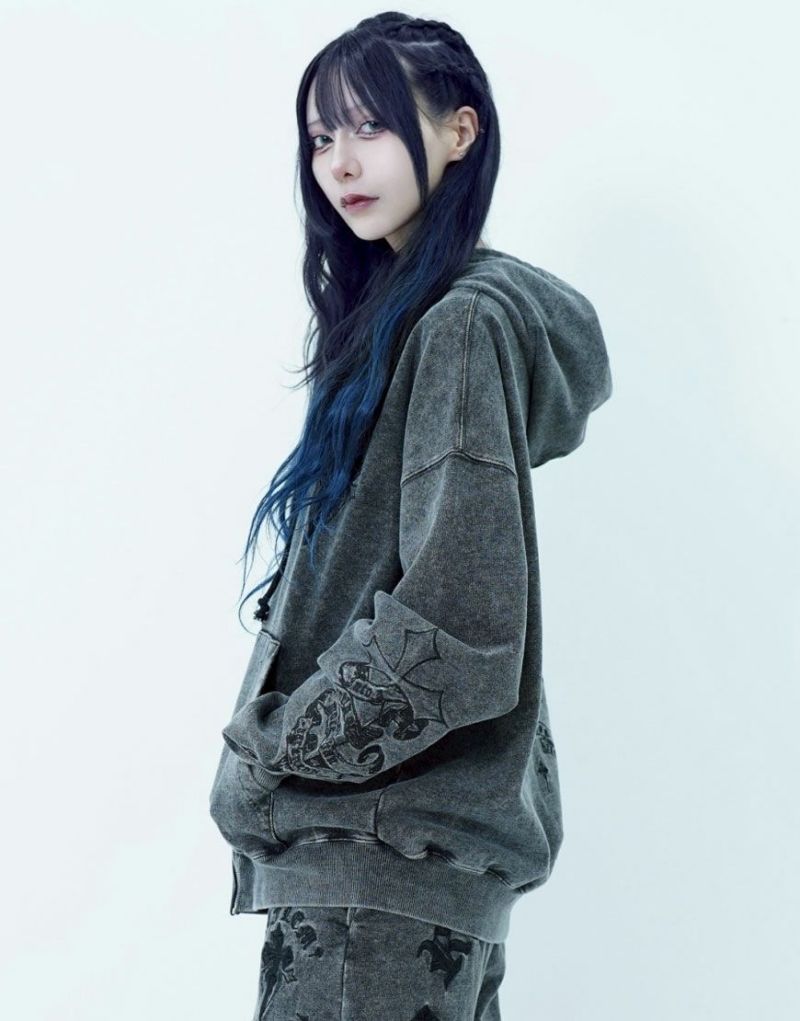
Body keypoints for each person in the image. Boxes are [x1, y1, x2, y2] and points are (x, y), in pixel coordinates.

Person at [208, 11, 613, 1020]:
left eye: (370, 126)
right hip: (403, 877)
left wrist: (274, 747)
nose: (339, 163)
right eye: (320, 137)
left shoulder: (460, 325)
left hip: (373, 878)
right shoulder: (405, 323)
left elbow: (459, 628)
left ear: (458, 131)